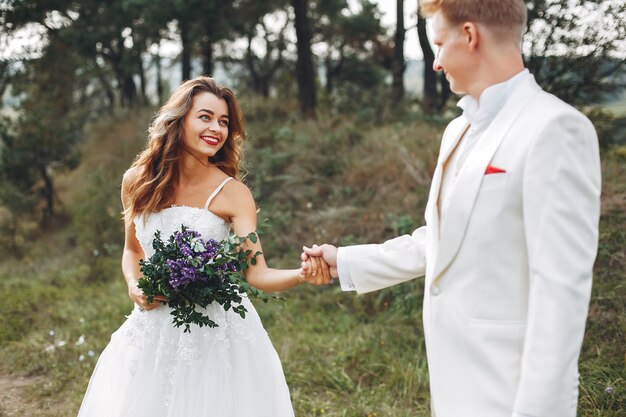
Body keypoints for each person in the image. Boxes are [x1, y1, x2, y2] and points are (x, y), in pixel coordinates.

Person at [302, 1, 601, 416]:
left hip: (511, 391)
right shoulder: (457, 130)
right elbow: (441, 240)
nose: (437, 62)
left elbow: (560, 294)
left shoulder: (554, 128)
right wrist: (346, 261)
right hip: (454, 386)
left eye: (439, 43)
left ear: (470, 35)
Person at [77, 76, 319, 417]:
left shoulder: (234, 194)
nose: (216, 129)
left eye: (223, 122)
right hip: (153, 329)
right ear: (180, 120)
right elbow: (132, 250)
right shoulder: (138, 182)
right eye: (205, 117)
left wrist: (302, 274)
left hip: (216, 336)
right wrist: (135, 287)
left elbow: (257, 273)